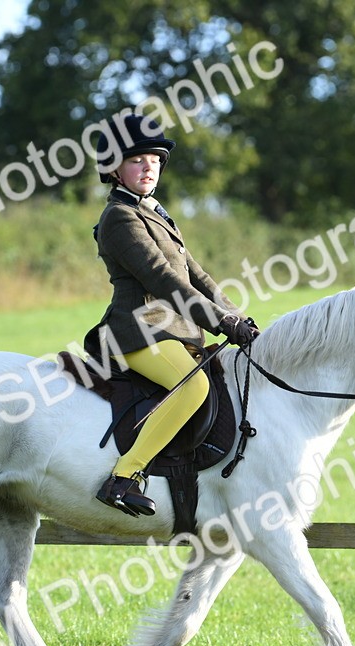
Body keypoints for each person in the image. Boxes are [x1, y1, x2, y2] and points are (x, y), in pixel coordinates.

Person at [85, 114, 259, 517]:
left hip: (176, 332)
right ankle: (124, 476)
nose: (149, 167)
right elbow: (163, 280)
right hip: (137, 331)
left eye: (155, 160)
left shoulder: (156, 213)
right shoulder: (119, 217)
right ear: (113, 168)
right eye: (137, 160)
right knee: (193, 386)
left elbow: (197, 275)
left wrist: (234, 315)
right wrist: (219, 323)